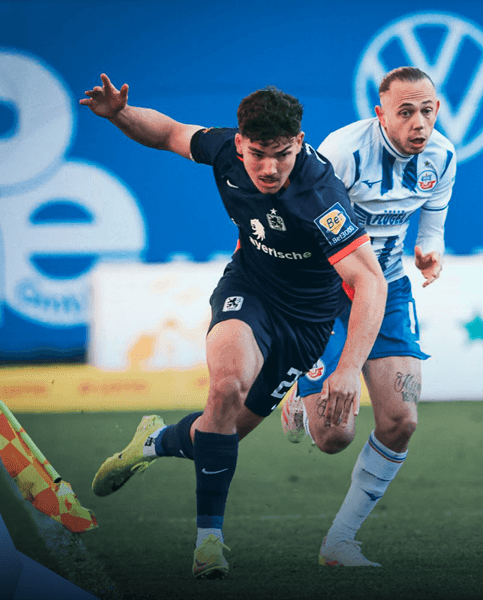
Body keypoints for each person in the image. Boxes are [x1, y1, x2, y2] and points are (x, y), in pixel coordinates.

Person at [81, 75, 387, 579]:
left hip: (306, 323)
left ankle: (151, 443)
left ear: (301, 143)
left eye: (283, 155)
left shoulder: (319, 196)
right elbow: (167, 133)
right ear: (240, 143)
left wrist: (349, 366)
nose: (270, 168)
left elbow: (370, 283)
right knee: (224, 389)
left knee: (220, 436)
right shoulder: (224, 150)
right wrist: (118, 114)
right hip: (250, 289)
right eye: (259, 153)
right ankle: (209, 544)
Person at [278, 66, 454, 566]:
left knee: (401, 421)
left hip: (390, 287)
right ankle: (294, 376)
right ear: (380, 115)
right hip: (323, 288)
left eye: (427, 110)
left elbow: (433, 224)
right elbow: (292, 223)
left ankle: (339, 542)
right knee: (334, 437)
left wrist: (429, 252)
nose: (419, 122)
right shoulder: (341, 152)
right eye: (406, 112)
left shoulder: (442, 157)